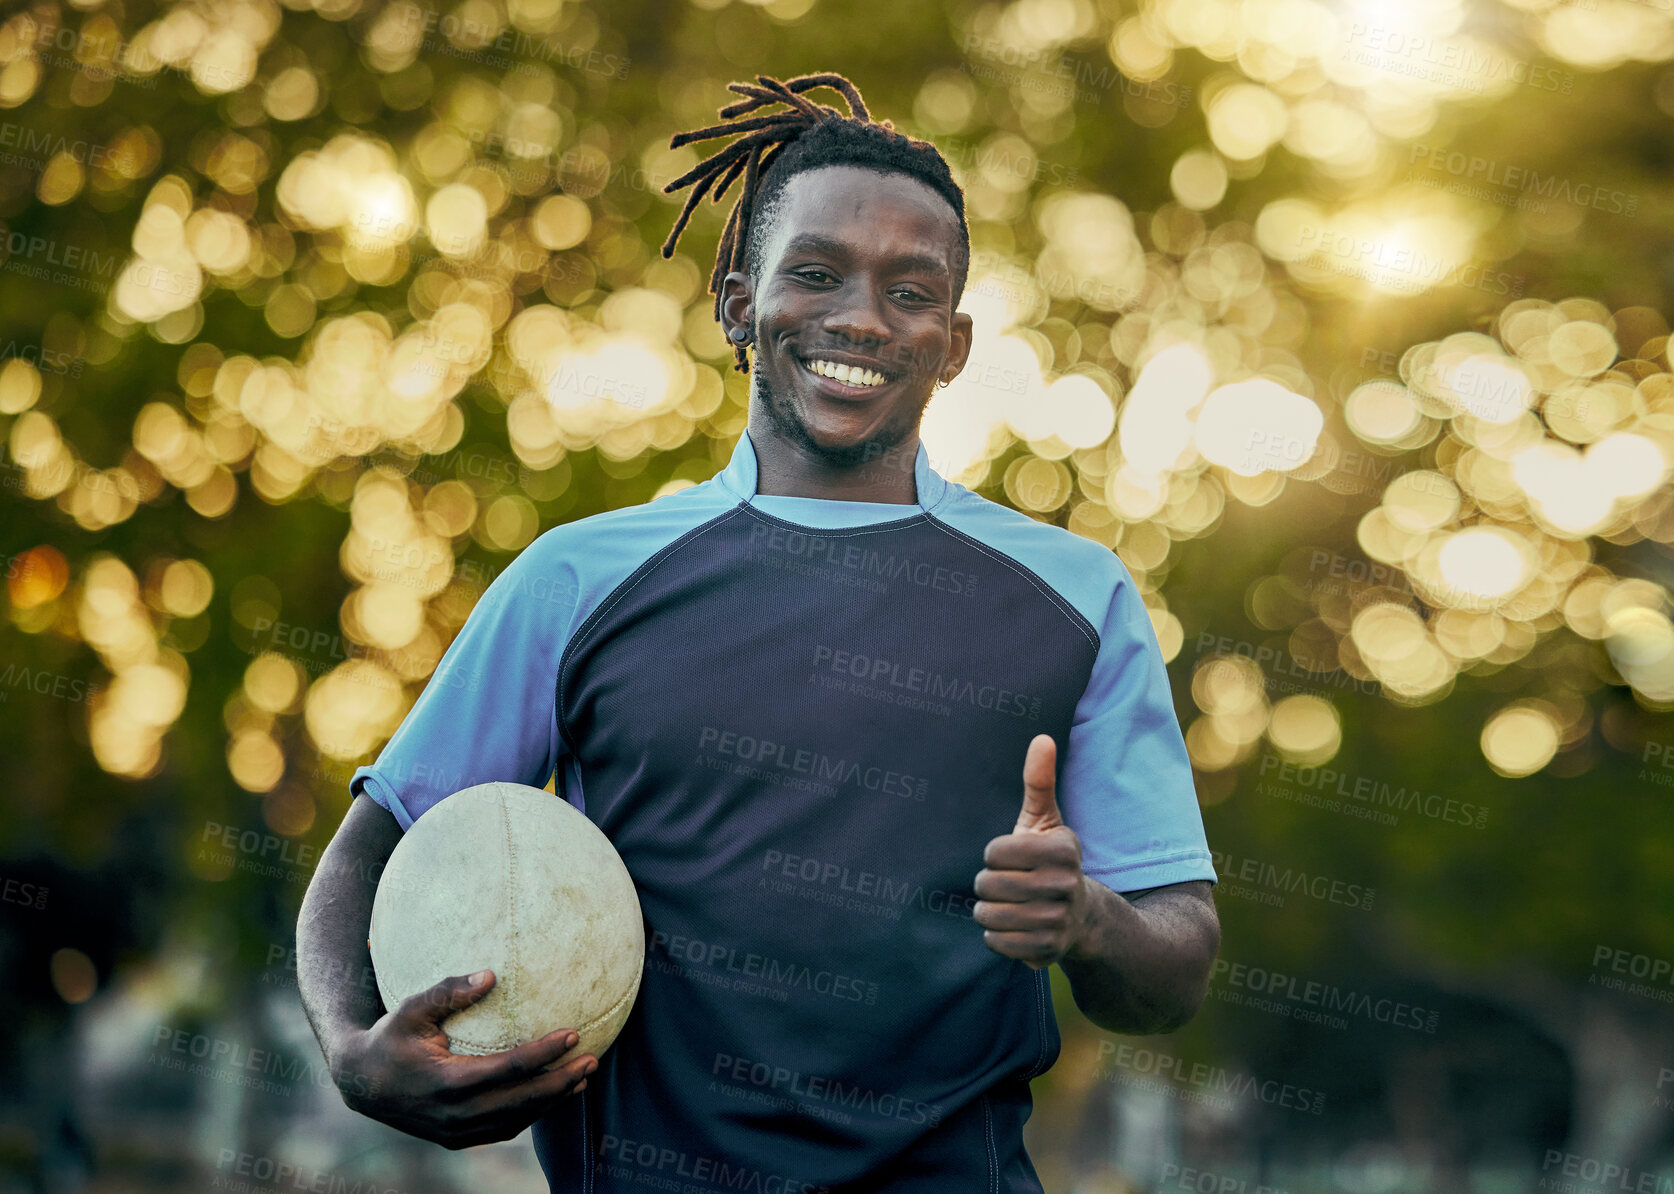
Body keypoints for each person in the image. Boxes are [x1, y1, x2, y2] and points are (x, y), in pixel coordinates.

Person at [296, 72, 1219, 1193]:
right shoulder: (578, 580)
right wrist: (351, 1047)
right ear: (738, 303)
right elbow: (377, 841)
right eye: (817, 274)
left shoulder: (1076, 597)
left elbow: (1173, 970)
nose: (861, 320)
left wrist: (1087, 921)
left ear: (956, 342)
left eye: (910, 291)